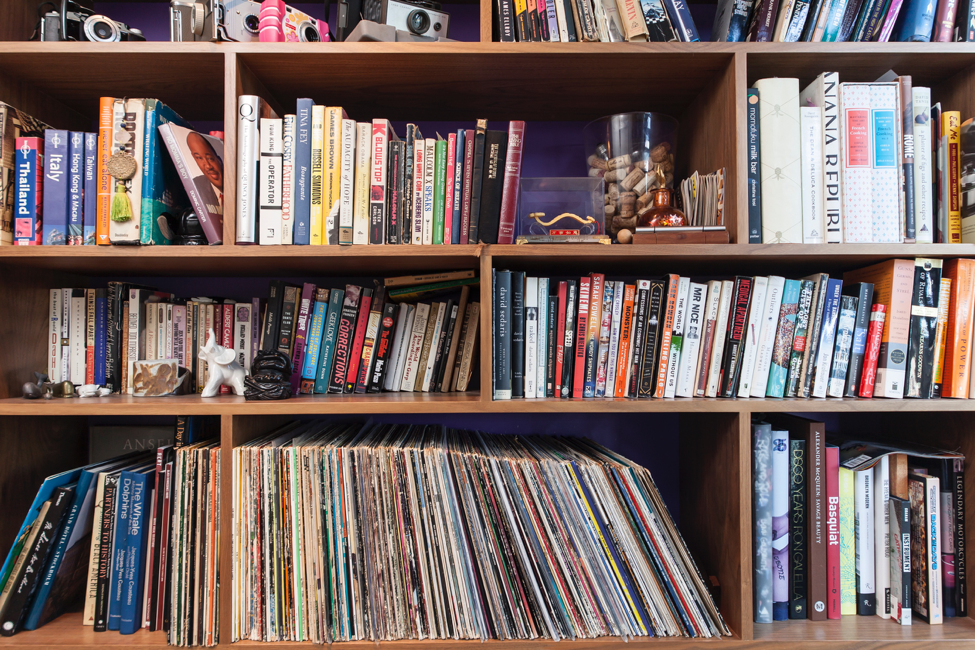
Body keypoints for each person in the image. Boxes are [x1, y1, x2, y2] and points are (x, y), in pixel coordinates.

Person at [184, 131, 223, 216]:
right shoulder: (194, 186)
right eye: (199, 158)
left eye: (210, 158)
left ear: (220, 159)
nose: (208, 166)